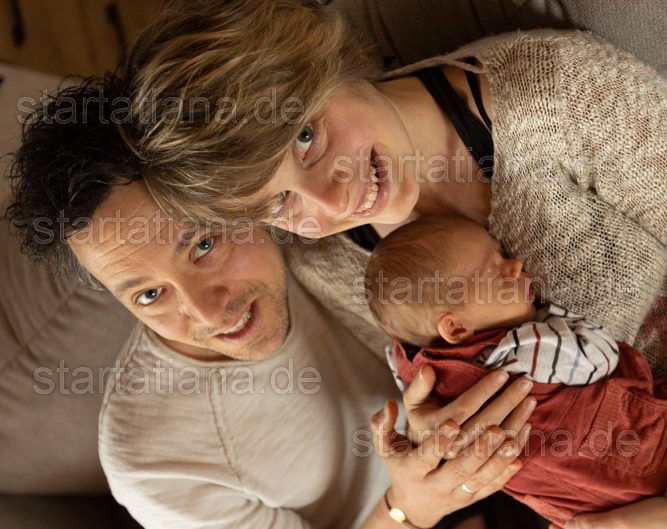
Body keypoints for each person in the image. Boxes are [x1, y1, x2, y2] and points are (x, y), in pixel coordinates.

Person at [116, 1, 667, 526]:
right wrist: (439, 444)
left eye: (306, 138)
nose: (333, 202)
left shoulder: (556, 96)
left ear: (327, 61)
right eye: (280, 202)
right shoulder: (326, 258)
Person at [4, 79, 537, 529]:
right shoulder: (154, 463)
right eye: (149, 295)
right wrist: (411, 506)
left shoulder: (326, 209)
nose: (208, 313)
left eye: (204, 246)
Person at [365, 215, 667, 527]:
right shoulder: (523, 351)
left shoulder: (411, 370)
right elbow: (601, 355)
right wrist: (549, 316)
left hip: (578, 508)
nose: (515, 265)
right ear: (455, 328)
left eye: (503, 255)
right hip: (642, 458)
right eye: (496, 271)